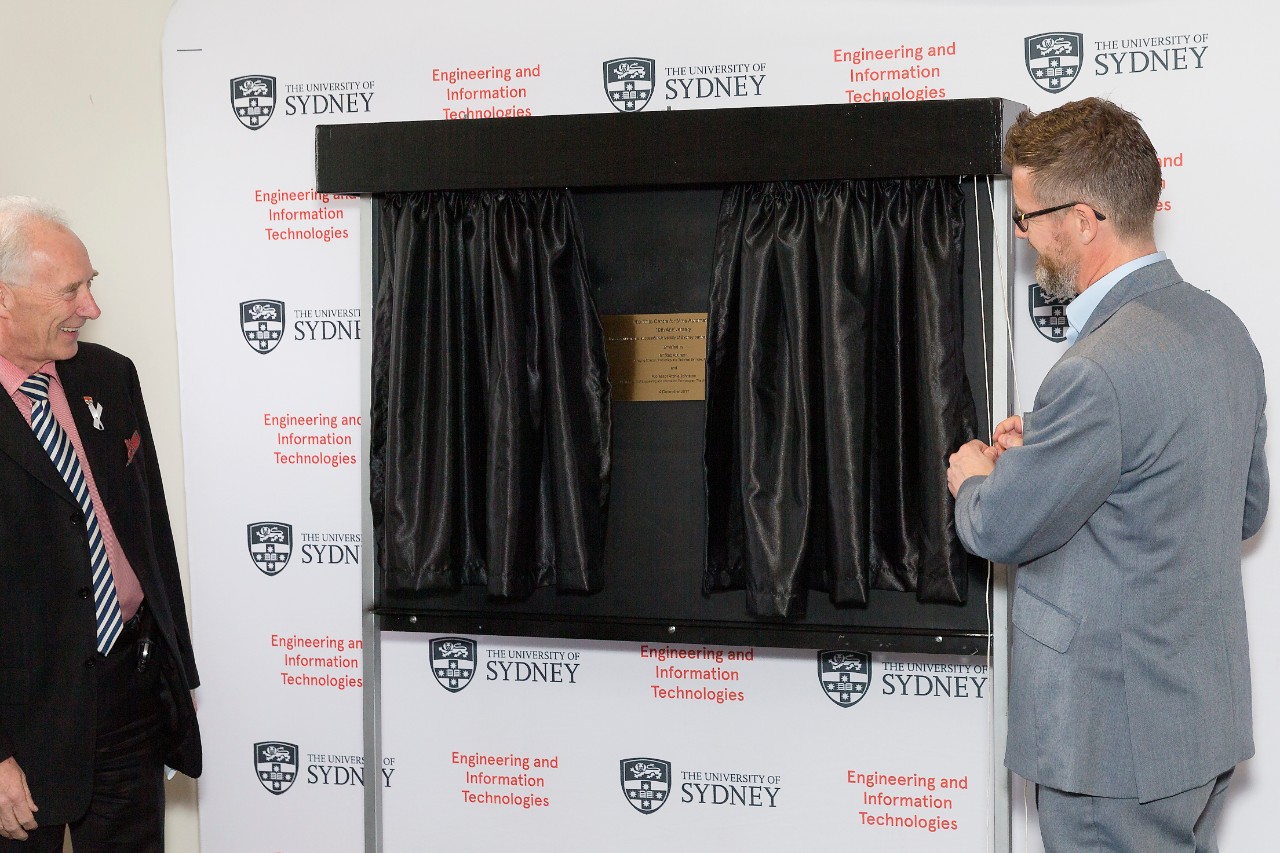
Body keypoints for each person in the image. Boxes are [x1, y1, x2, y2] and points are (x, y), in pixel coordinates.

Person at [947, 98, 1268, 852]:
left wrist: (975, 475)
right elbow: (1240, 507)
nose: (1022, 237)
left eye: (1027, 218)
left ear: (1083, 220)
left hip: (1111, 739)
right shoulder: (1224, 332)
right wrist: (1055, 447)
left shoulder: (1096, 370)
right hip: (1197, 724)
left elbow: (1000, 525)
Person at [0, 197, 200, 851]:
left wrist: (176, 675)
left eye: (91, 285)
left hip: (128, 689)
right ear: (5, 299)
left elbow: (150, 532)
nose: (92, 307)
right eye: (72, 290)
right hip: (22, 723)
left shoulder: (109, 376)